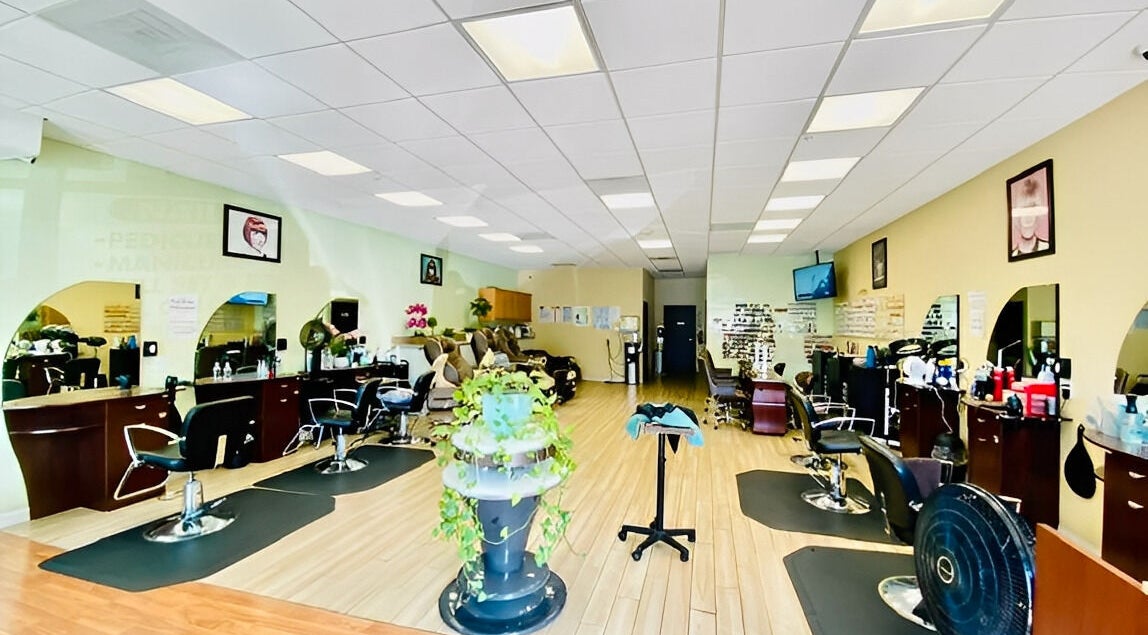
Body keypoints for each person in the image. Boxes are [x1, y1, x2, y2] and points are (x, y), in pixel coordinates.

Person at [1011, 174, 1050, 256]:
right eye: (1024, 207)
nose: (1028, 215)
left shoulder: (1047, 247)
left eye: (1033, 206)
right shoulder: (1013, 254)